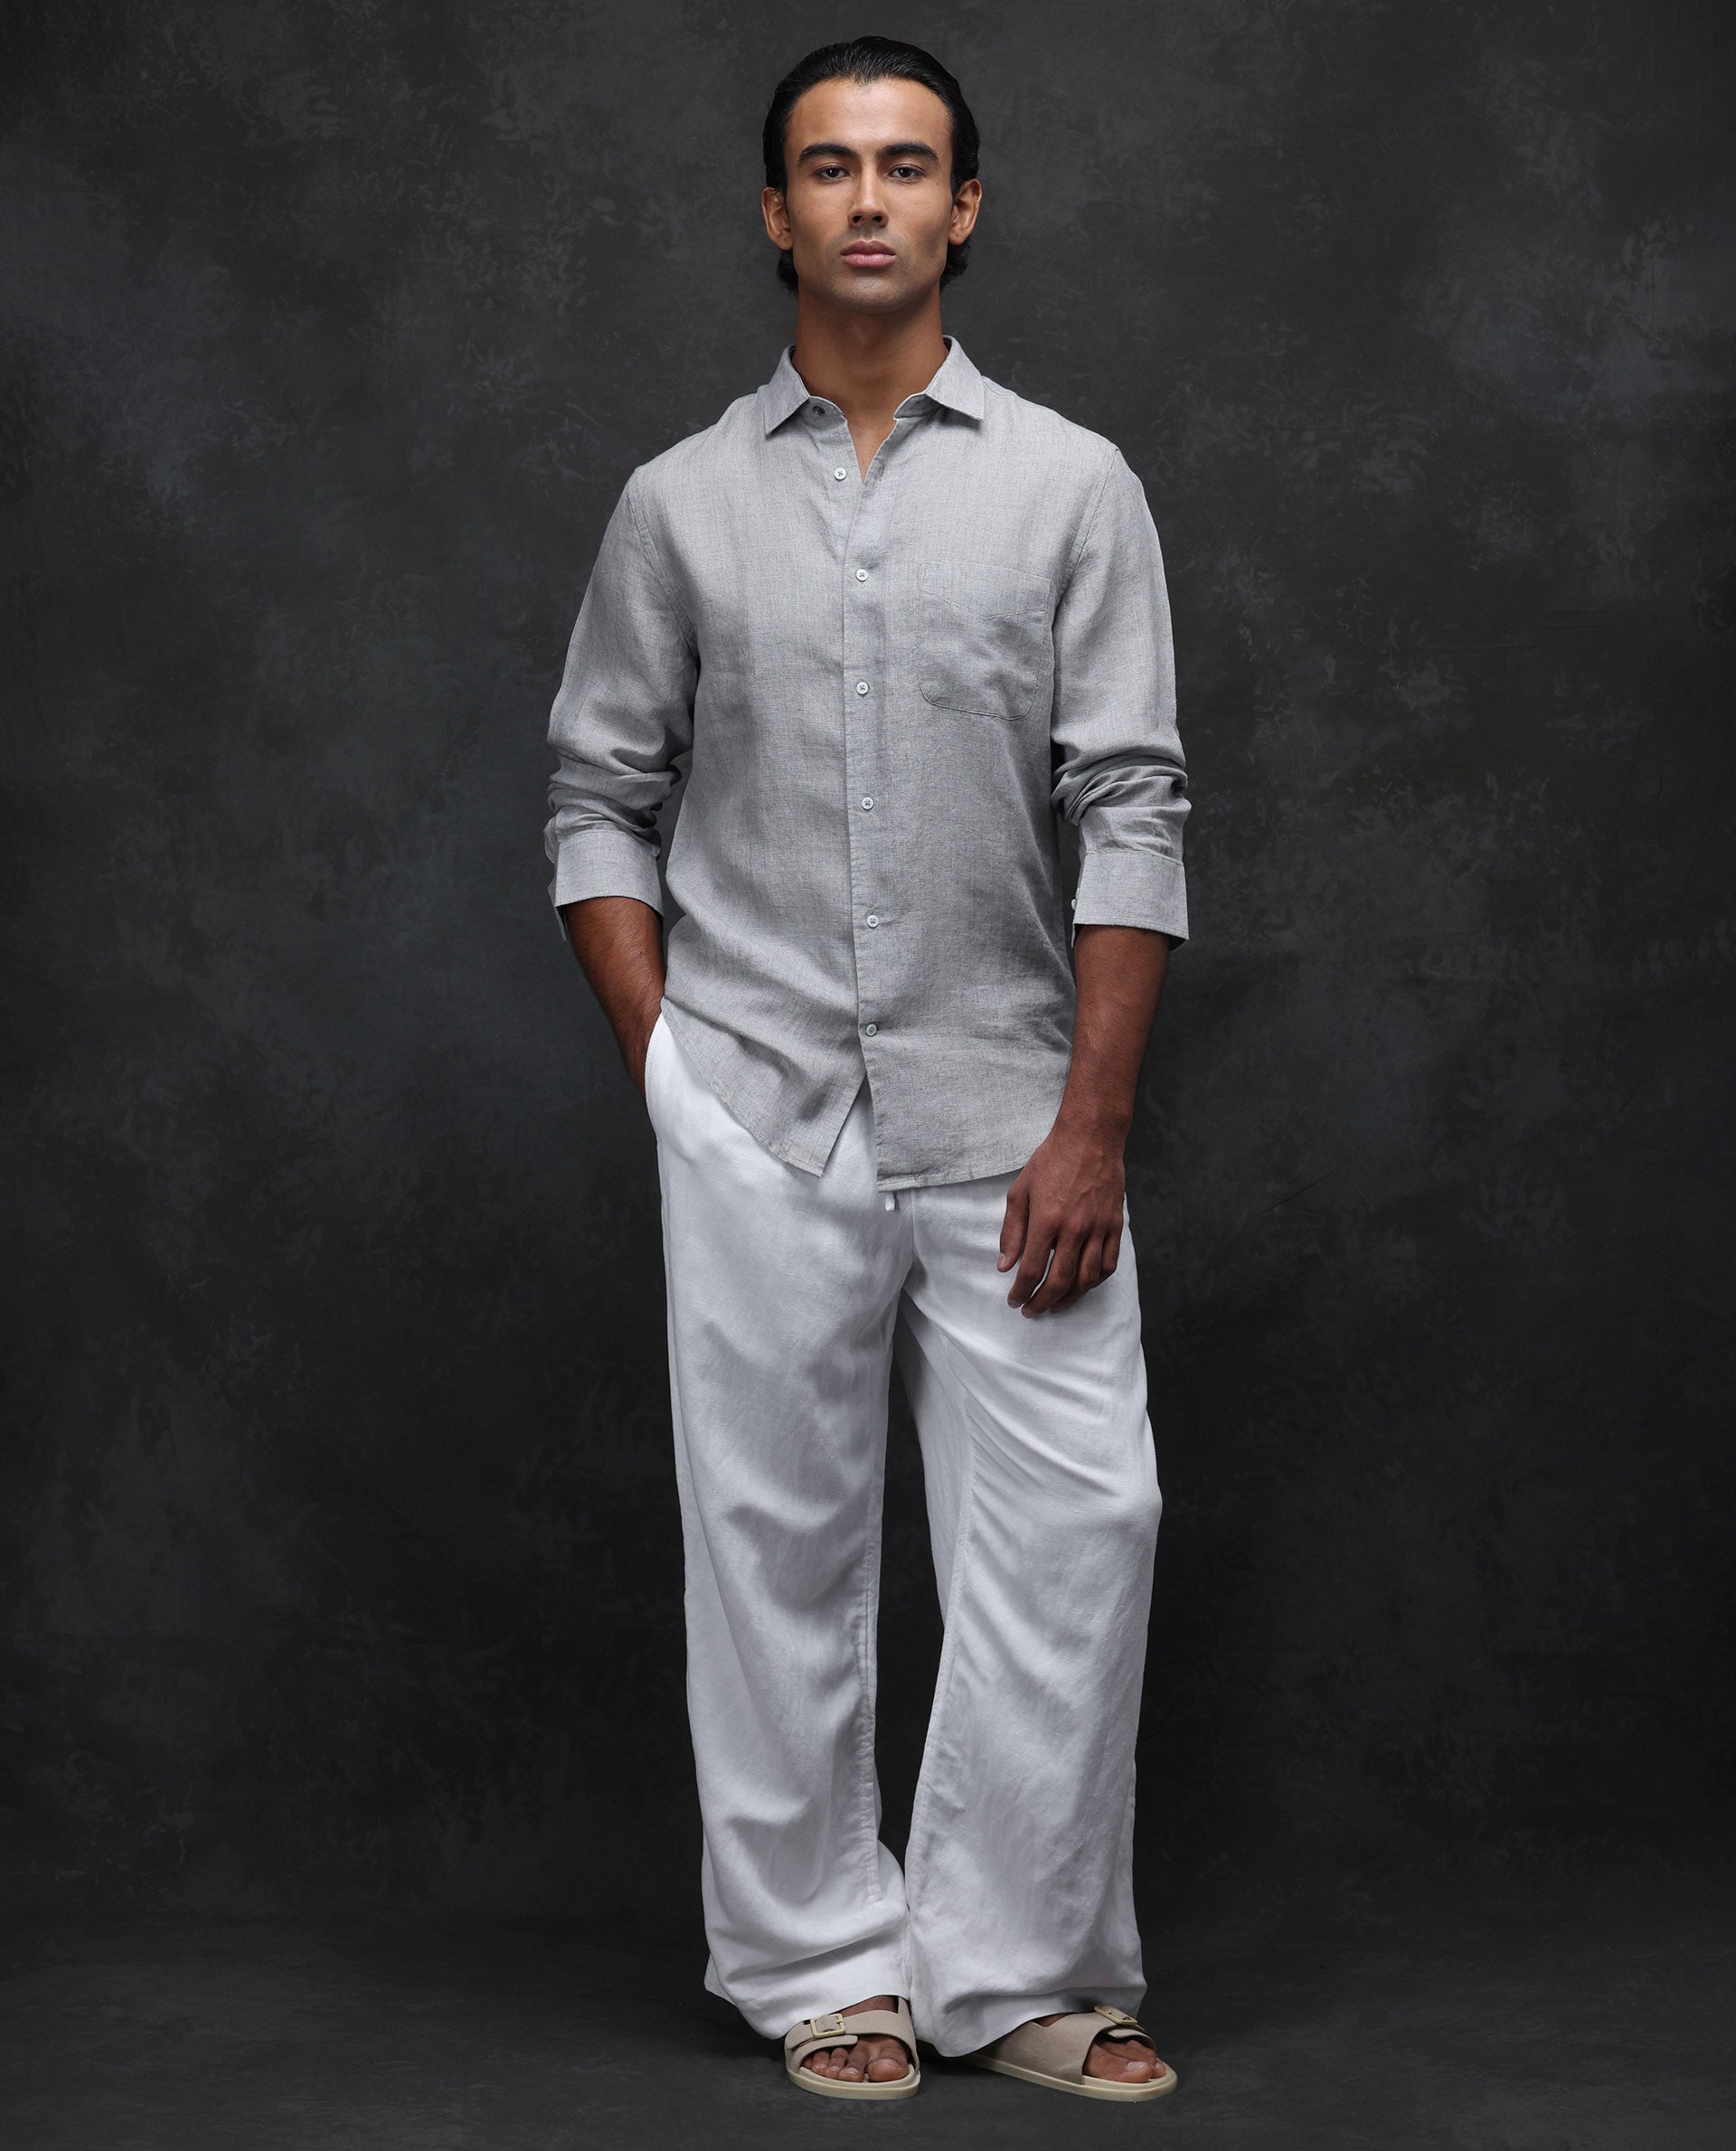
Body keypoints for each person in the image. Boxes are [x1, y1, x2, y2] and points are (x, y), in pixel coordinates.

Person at [543, 34, 1189, 2107]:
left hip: (1014, 1110)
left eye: (908, 164)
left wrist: (1095, 1121)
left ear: (964, 205)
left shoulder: (1073, 485)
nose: (870, 198)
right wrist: (674, 1070)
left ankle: (1021, 1966)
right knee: (773, 1553)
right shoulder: (679, 503)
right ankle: (822, 1958)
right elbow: (595, 799)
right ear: (777, 211)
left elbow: (1134, 806)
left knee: (1080, 1525)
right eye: (829, 166)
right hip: (758, 1106)